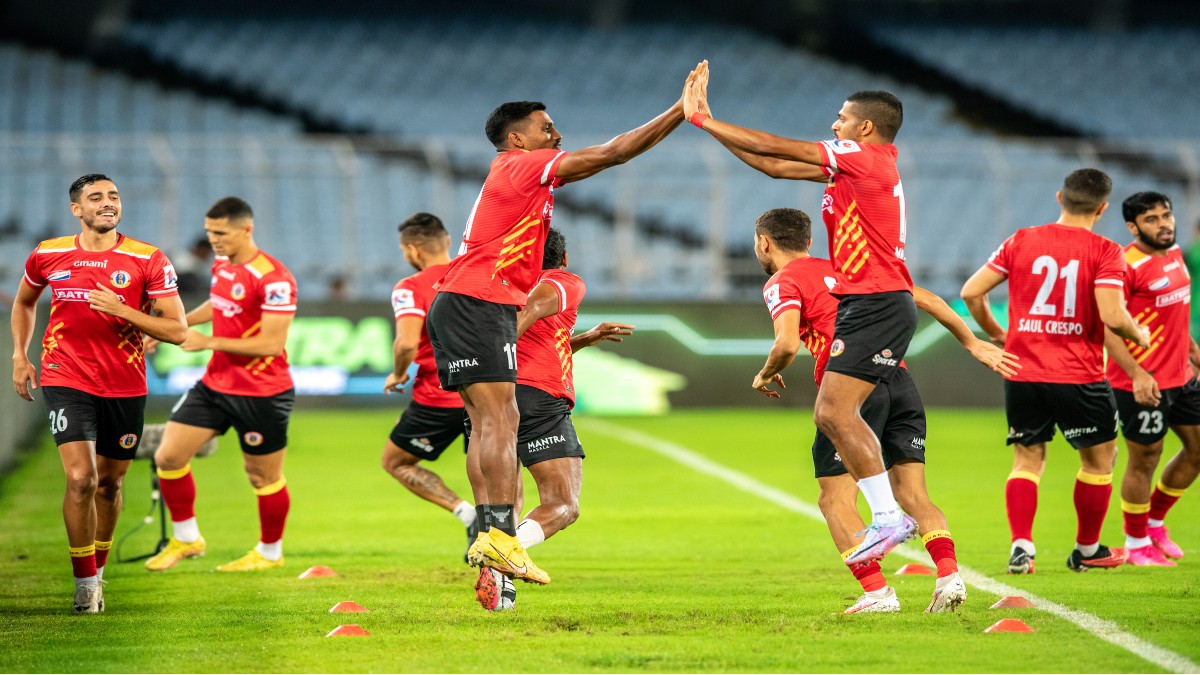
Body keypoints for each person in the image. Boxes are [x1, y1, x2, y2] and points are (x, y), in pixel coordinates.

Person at [428, 65, 700, 585]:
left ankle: (493, 536)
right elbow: (614, 153)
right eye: (546, 128)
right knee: (500, 421)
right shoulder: (520, 166)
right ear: (517, 139)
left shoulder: (514, 175)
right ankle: (500, 538)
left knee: (487, 423)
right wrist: (679, 113)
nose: (557, 134)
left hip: (460, 300)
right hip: (480, 299)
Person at [682, 62, 919, 565]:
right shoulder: (859, 167)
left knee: (833, 413)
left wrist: (701, 120)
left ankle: (888, 516)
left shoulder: (863, 157)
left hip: (876, 300)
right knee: (833, 413)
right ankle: (887, 516)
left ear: (865, 127)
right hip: (868, 300)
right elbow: (771, 165)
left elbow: (776, 144)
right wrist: (711, 125)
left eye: (842, 118)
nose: (835, 124)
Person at [750, 207, 1017, 613]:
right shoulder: (850, 268)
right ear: (809, 241)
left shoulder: (781, 282)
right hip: (898, 380)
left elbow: (786, 344)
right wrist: (972, 343)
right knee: (913, 493)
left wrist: (766, 373)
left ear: (764, 242)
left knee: (834, 499)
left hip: (852, 390)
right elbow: (927, 299)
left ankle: (877, 592)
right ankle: (949, 577)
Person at [10, 174, 187, 612]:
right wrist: (19, 354)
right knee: (80, 479)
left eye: (113, 196)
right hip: (65, 376)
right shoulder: (48, 253)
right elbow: (25, 302)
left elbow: (177, 330)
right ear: (77, 209)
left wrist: (124, 311)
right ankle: (85, 583)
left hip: (124, 384)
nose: (108, 203)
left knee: (110, 485)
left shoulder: (147, 258)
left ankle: (99, 571)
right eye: (96, 197)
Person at [961, 169, 1150, 573]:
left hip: (1023, 370)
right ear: (1102, 208)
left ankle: (1022, 546)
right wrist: (1140, 333)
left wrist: (996, 333)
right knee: (1099, 462)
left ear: (1060, 197)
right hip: (1078, 374)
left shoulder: (1022, 240)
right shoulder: (1106, 250)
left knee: (1027, 461)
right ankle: (1087, 550)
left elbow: (971, 292)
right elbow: (1113, 316)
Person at [470, 228, 634, 611]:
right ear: (564, 257)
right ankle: (505, 548)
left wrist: (584, 339)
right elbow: (522, 321)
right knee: (563, 503)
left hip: (491, 396)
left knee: (506, 502)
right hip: (538, 399)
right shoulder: (563, 281)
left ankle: (501, 589)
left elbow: (533, 340)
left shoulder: (499, 285)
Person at [143, 196, 300, 572]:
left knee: (262, 476)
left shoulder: (275, 279)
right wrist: (180, 326)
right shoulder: (222, 263)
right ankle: (186, 538)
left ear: (247, 229)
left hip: (262, 392)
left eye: (221, 233)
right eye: (209, 232)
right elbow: (220, 304)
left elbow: (271, 344)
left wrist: (208, 342)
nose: (213, 239)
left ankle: (270, 553)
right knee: (168, 457)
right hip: (215, 384)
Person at [1104, 192, 1199, 566]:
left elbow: (1173, 315)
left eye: (1166, 216)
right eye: (1152, 219)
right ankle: (1136, 541)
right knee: (1145, 458)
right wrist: (1138, 373)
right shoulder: (1125, 265)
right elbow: (1110, 328)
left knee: (1197, 448)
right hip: (1142, 381)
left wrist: (1193, 352)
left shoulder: (1174, 253)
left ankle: (1155, 523)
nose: (1164, 224)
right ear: (1133, 226)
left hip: (1181, 376)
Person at [381, 213, 476, 555]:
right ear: (447, 241)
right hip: (489, 391)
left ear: (412, 250)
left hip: (440, 395)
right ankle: (501, 538)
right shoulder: (475, 275)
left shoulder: (410, 287)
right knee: (493, 469)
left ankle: (467, 514)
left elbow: (406, 343)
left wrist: (398, 373)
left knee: (396, 461)